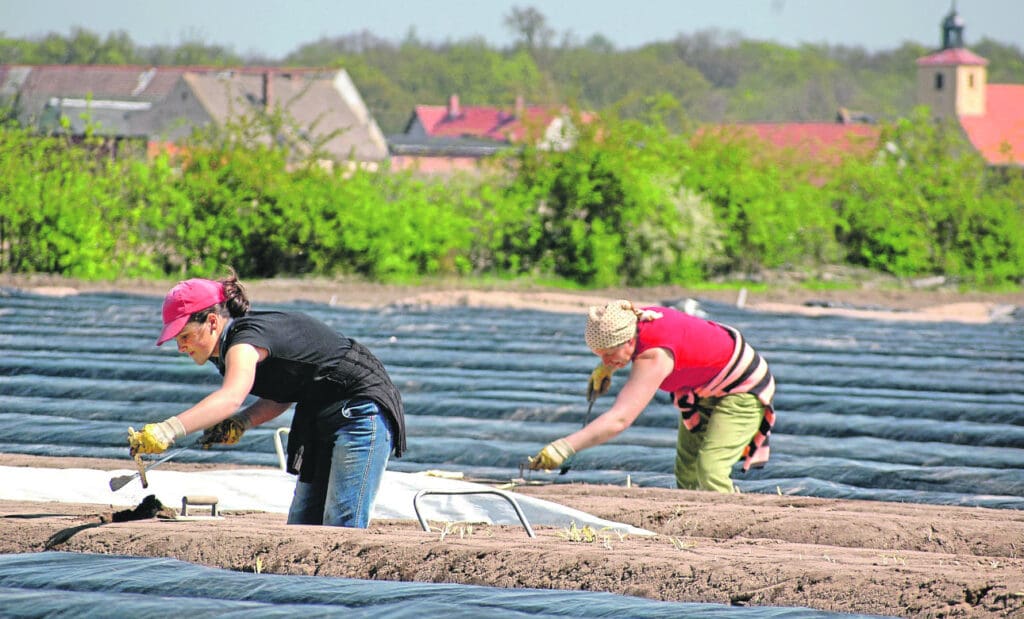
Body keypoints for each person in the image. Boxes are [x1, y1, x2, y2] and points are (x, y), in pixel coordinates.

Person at [127, 270, 406, 528]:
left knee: (342, 525)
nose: (180, 347)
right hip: (319, 414)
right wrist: (242, 422)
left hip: (360, 411)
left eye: (185, 335)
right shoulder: (230, 347)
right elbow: (283, 393)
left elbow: (230, 397)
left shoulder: (244, 342)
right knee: (302, 525)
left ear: (212, 321)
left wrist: (168, 429)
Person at [528, 299, 775, 493]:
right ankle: (695, 527)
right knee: (687, 470)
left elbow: (620, 419)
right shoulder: (632, 318)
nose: (605, 360)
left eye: (609, 354)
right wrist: (607, 367)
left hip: (741, 387)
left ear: (629, 340)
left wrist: (564, 448)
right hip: (701, 387)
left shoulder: (654, 355)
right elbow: (617, 344)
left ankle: (730, 526)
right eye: (599, 355)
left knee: (710, 468)